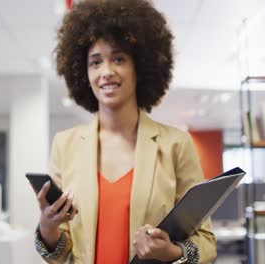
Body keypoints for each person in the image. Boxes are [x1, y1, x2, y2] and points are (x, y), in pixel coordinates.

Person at [32, 0, 217, 263]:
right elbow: (59, 255)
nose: (106, 72)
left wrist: (172, 253)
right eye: (95, 62)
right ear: (83, 72)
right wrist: (48, 228)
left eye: (118, 59)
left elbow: (206, 242)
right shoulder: (65, 145)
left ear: (139, 66)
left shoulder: (176, 145)